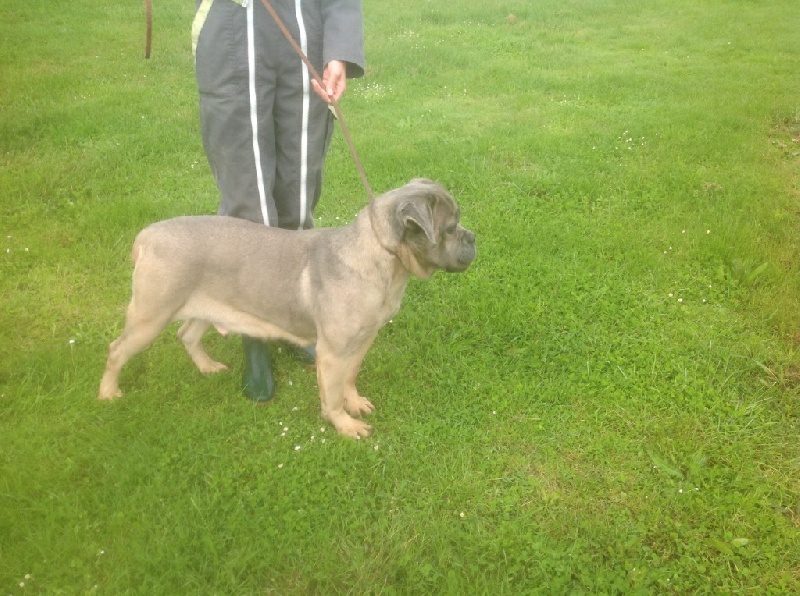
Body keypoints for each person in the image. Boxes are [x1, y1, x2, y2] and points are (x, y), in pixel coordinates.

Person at [191, 0, 365, 401]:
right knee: (247, 202)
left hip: (304, 29)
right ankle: (253, 335)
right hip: (233, 29)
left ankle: (291, 321)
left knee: (297, 191)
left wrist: (338, 50)